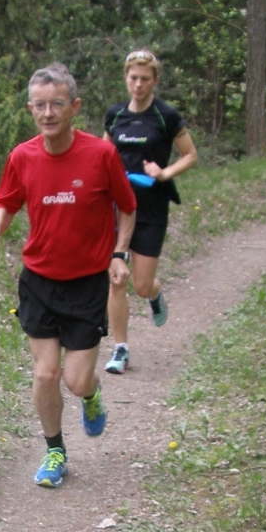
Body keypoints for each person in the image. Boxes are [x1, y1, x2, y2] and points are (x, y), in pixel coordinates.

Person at [0, 63, 136, 489]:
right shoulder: (22, 156)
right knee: (46, 374)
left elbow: (128, 206)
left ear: (74, 107)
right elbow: (6, 202)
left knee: (76, 378)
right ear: (31, 108)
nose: (48, 113)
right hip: (39, 281)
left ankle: (91, 393)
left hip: (86, 283)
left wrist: (119, 254)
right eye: (40, 105)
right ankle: (55, 451)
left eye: (57, 104)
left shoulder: (100, 155)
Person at [102, 49, 197, 375]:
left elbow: (190, 156)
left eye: (145, 79)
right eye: (133, 78)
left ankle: (155, 293)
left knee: (140, 285)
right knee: (116, 280)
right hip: (117, 208)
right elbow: (103, 155)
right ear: (126, 79)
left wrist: (164, 173)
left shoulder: (166, 116)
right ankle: (120, 349)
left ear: (155, 81)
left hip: (151, 208)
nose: (138, 84)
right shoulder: (115, 116)